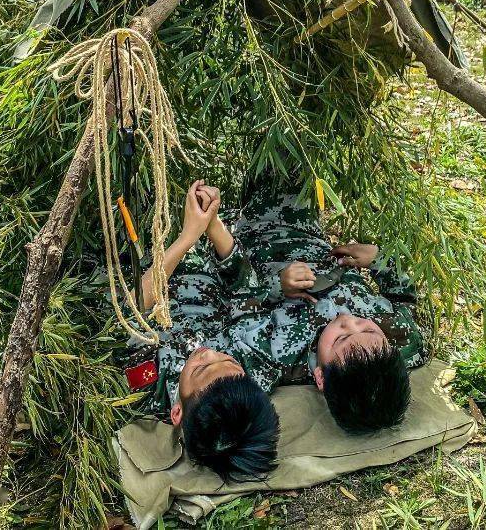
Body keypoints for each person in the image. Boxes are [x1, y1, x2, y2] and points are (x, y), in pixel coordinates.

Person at [219, 185, 426, 434]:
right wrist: (379, 259)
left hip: (253, 240)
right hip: (306, 228)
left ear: (321, 378)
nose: (348, 320)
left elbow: (239, 308)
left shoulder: (281, 356)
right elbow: (405, 297)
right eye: (369, 329)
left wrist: (276, 286)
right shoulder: (402, 340)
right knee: (295, 158)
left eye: (341, 338)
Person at [134, 181, 280, 481]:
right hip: (203, 249)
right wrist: (212, 225)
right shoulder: (253, 377)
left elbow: (131, 311)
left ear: (177, 412)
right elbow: (246, 291)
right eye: (229, 361)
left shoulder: (147, 385)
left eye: (199, 371)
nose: (209, 353)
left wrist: (188, 236)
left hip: (138, 244)